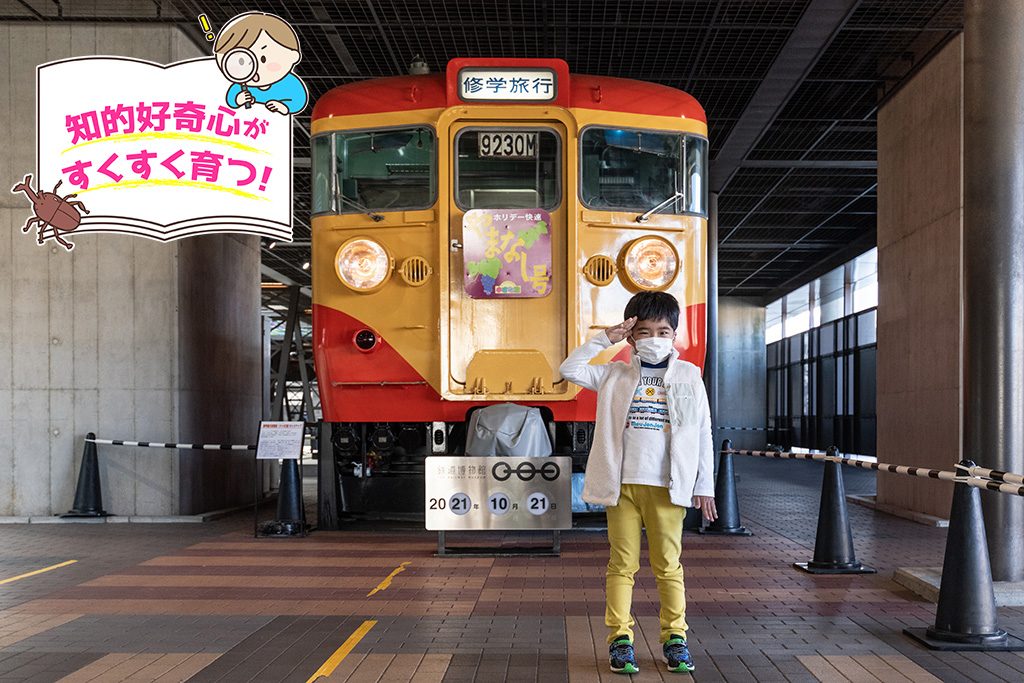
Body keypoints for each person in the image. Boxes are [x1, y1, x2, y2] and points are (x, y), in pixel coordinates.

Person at [559, 291, 717, 674]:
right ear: (631, 336)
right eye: (644, 331)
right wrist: (604, 339)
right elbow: (569, 369)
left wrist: (705, 483)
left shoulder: (689, 375)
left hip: (668, 484)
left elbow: (703, 432)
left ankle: (675, 638)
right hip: (622, 484)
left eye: (663, 331)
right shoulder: (614, 373)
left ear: (675, 334)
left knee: (668, 565)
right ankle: (620, 640)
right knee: (621, 565)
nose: (654, 338)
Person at [214, 12, 308, 116]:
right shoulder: (241, 85)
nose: (255, 68)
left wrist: (283, 107)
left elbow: (298, 101)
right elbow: (231, 98)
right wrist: (238, 99)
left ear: (292, 56)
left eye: (263, 59)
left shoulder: (291, 83)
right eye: (241, 61)